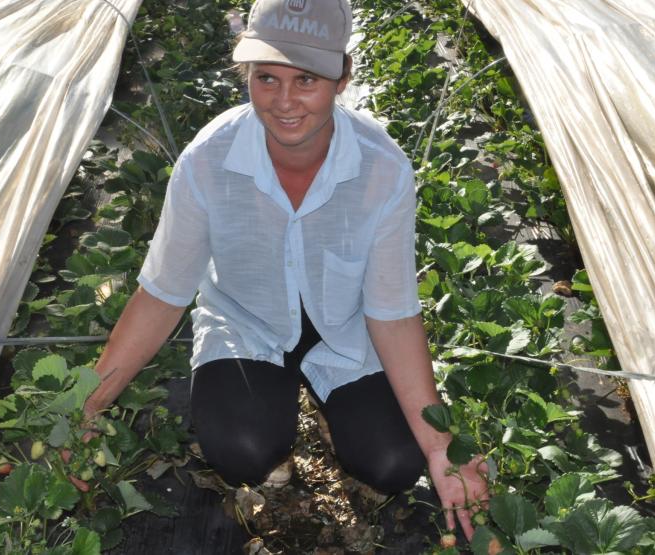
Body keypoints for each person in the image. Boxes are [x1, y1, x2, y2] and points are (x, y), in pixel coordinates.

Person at [82, 0, 488, 541]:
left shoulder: (381, 169)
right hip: (247, 323)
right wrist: (87, 407)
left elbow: (391, 312)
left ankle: (333, 405)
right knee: (242, 451)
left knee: (394, 462)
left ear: (343, 78)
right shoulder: (209, 161)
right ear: (246, 74)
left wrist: (442, 446)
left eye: (307, 79)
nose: (285, 101)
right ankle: (273, 411)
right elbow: (163, 293)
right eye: (266, 77)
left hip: (347, 329)